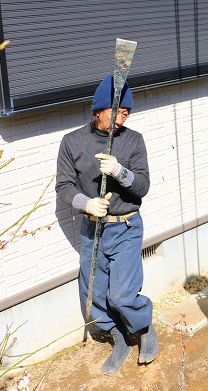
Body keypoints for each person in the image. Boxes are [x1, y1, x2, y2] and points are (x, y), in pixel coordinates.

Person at [56, 74, 158, 374]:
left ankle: (143, 329)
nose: (121, 118)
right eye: (116, 111)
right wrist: (85, 203)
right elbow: (63, 187)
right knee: (94, 292)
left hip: (126, 226)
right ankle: (119, 338)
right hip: (93, 228)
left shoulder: (133, 140)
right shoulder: (72, 142)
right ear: (98, 109)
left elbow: (142, 186)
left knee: (122, 294)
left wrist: (119, 172)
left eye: (126, 113)